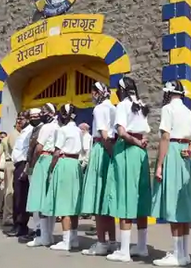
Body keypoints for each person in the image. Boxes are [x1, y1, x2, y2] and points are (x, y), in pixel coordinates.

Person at [102, 77, 151, 262]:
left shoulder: (123, 105)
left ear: (121, 89)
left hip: (127, 149)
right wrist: (140, 142)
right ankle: (142, 245)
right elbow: (144, 130)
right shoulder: (141, 104)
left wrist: (135, 141)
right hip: (141, 153)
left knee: (125, 195)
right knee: (140, 196)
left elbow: (122, 132)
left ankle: (124, 250)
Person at [150, 80, 191, 266]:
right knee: (183, 204)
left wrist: (160, 165)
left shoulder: (168, 109)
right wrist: (190, 151)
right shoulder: (188, 111)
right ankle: (184, 253)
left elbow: (165, 137)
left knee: (172, 202)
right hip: (185, 153)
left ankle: (178, 254)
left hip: (172, 152)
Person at [81, 82, 118, 256]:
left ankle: (101, 242)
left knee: (98, 197)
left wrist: (110, 153)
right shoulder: (113, 107)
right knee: (107, 200)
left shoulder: (99, 109)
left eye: (93, 92)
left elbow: (103, 134)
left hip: (101, 149)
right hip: (110, 148)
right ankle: (112, 241)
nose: (92, 95)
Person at [42, 104, 83, 251]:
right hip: (75, 164)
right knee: (74, 202)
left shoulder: (62, 130)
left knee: (64, 202)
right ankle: (74, 238)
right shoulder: (79, 131)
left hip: (64, 163)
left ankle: (65, 241)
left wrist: (51, 168)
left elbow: (57, 151)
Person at [26, 103, 59, 247]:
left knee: (39, 199)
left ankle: (42, 236)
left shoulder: (46, 127)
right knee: (49, 199)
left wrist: (32, 164)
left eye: (44, 111)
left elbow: (39, 147)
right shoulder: (58, 127)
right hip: (54, 159)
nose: (42, 115)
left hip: (44, 158)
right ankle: (49, 235)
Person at [5, 109, 39, 237]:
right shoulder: (22, 132)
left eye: (22, 118)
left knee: (21, 197)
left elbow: (29, 150)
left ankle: (21, 225)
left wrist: (26, 168)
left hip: (23, 164)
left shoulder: (30, 131)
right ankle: (16, 223)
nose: (19, 121)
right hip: (18, 164)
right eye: (18, 118)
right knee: (16, 195)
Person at [0, 117, 23, 226]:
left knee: (9, 189)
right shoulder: (15, 135)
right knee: (10, 191)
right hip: (12, 163)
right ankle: (8, 216)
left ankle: (8, 215)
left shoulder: (5, 138)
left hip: (8, 163)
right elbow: (16, 150)